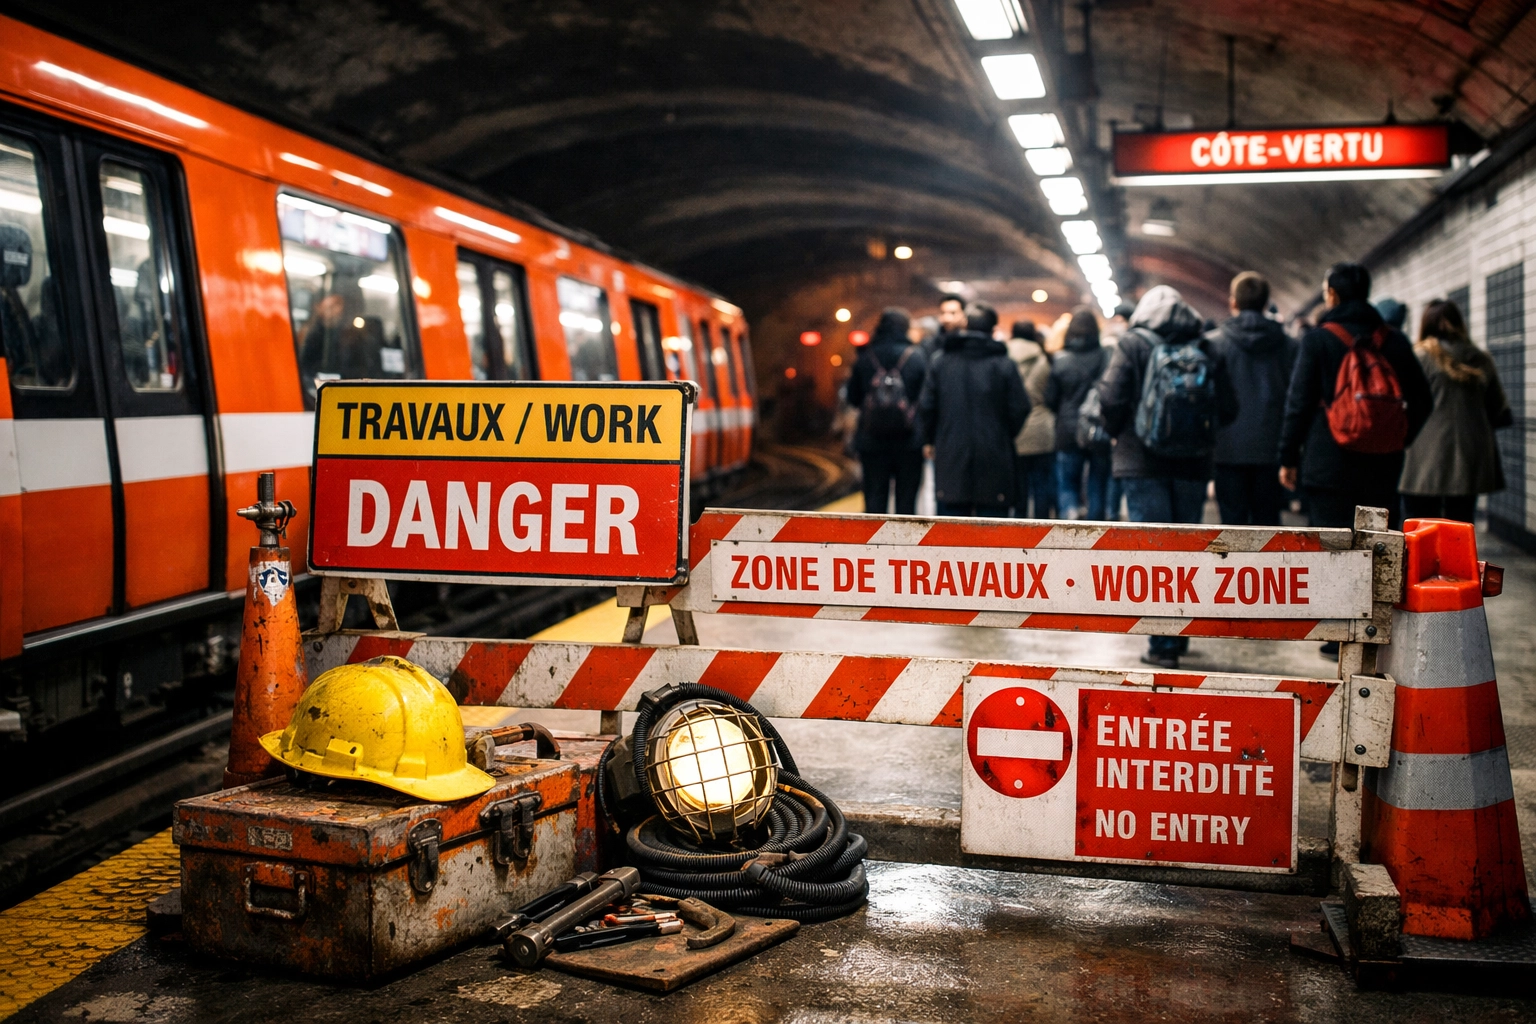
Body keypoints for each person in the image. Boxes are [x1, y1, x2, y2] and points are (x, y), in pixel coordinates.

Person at [1098, 285, 1238, 669]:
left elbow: (1110, 396)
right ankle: (1180, 633)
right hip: (1193, 464)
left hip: (1141, 462)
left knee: (1154, 553)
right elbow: (1228, 407)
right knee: (1188, 548)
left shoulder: (1132, 343)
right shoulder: (1206, 346)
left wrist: (1117, 430)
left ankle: (1162, 646)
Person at [1278, 263, 1432, 530]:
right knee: (1378, 550)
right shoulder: (1395, 341)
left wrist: (1288, 458)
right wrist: (1397, 438)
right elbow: (1423, 401)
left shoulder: (1317, 340)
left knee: (1329, 550)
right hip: (1383, 465)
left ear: (1332, 295)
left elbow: (1298, 404)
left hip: (1328, 465)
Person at [1399, 298, 1513, 523]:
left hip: (1423, 455)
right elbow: (1499, 412)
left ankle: (1425, 560)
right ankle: (1457, 559)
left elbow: (1404, 404)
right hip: (1470, 454)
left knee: (1421, 523)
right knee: (1461, 521)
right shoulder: (1480, 358)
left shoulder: (1419, 357)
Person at [918, 301, 1029, 517]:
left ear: (965, 325)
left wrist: (931, 439)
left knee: (951, 536)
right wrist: (1003, 433)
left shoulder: (940, 362)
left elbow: (927, 406)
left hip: (950, 455)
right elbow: (1020, 407)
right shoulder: (1004, 364)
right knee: (993, 536)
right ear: (993, 330)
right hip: (995, 456)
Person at [1206, 271, 1296, 525]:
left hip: (1227, 449)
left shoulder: (1213, 344)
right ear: (1266, 303)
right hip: (1272, 449)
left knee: (1232, 527)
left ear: (1233, 302)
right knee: (1268, 525)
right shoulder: (1289, 346)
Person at [847, 308, 929, 515]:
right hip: (909, 441)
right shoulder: (916, 357)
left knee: (874, 500)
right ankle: (904, 545)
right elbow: (926, 399)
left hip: (871, 439)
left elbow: (853, 398)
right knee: (906, 502)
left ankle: (873, 546)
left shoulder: (865, 356)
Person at [1044, 308, 1110, 520]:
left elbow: (1049, 399)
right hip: (1097, 429)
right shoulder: (1105, 357)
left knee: (1067, 483)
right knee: (1097, 484)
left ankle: (1070, 524)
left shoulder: (1060, 360)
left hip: (1068, 430)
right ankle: (1096, 528)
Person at [1007, 320, 1055, 518]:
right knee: (1041, 484)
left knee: (1019, 485)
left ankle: (1020, 528)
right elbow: (1051, 395)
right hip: (1042, 430)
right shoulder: (1043, 359)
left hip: (1015, 430)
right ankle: (1042, 526)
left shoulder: (1004, 359)